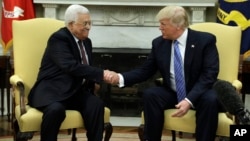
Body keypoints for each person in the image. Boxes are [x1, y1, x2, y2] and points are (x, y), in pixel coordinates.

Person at [106, 5, 225, 141]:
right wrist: (120, 78)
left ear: (178, 26)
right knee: (151, 95)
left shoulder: (205, 41)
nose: (160, 28)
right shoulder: (159, 44)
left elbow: (209, 74)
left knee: (211, 99)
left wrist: (189, 100)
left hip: (200, 92)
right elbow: (145, 71)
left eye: (163, 24)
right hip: (173, 92)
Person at [28, 4, 113, 141]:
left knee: (96, 104)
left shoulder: (86, 42)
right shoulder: (59, 39)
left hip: (75, 91)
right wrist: (102, 74)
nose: (88, 27)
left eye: (90, 23)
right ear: (71, 24)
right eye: (85, 23)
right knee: (55, 110)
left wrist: (94, 83)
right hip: (53, 90)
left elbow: (86, 66)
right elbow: (70, 66)